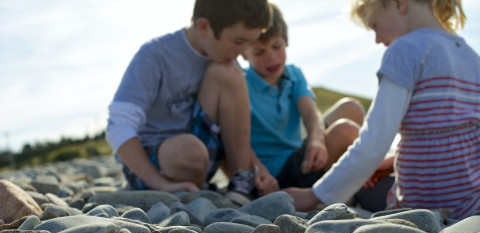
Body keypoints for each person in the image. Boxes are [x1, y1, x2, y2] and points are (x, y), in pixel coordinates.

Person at [284, 0, 480, 220]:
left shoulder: (405, 49)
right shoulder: (472, 57)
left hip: (422, 208)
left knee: (360, 186)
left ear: (400, 4)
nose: (377, 39)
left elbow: (374, 141)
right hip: (470, 205)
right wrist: (393, 159)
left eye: (375, 25)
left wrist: (313, 195)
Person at [105, 0, 272, 205]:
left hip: (200, 154)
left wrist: (256, 169)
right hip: (154, 163)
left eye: (249, 42)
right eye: (239, 42)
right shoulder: (154, 55)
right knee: (190, 150)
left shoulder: (223, 57)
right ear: (204, 27)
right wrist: (159, 184)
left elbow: (230, 130)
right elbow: (118, 127)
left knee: (229, 73)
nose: (245, 53)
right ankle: (185, 191)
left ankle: (242, 185)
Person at [243, 3, 365, 196]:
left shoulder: (293, 74)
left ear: (286, 41)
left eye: (276, 46)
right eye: (259, 52)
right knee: (345, 131)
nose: (271, 57)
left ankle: (350, 182)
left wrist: (317, 139)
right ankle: (348, 188)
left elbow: (309, 112)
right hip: (276, 176)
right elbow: (236, 140)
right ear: (244, 51)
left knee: (351, 108)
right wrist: (259, 173)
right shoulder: (241, 84)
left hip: (300, 156)